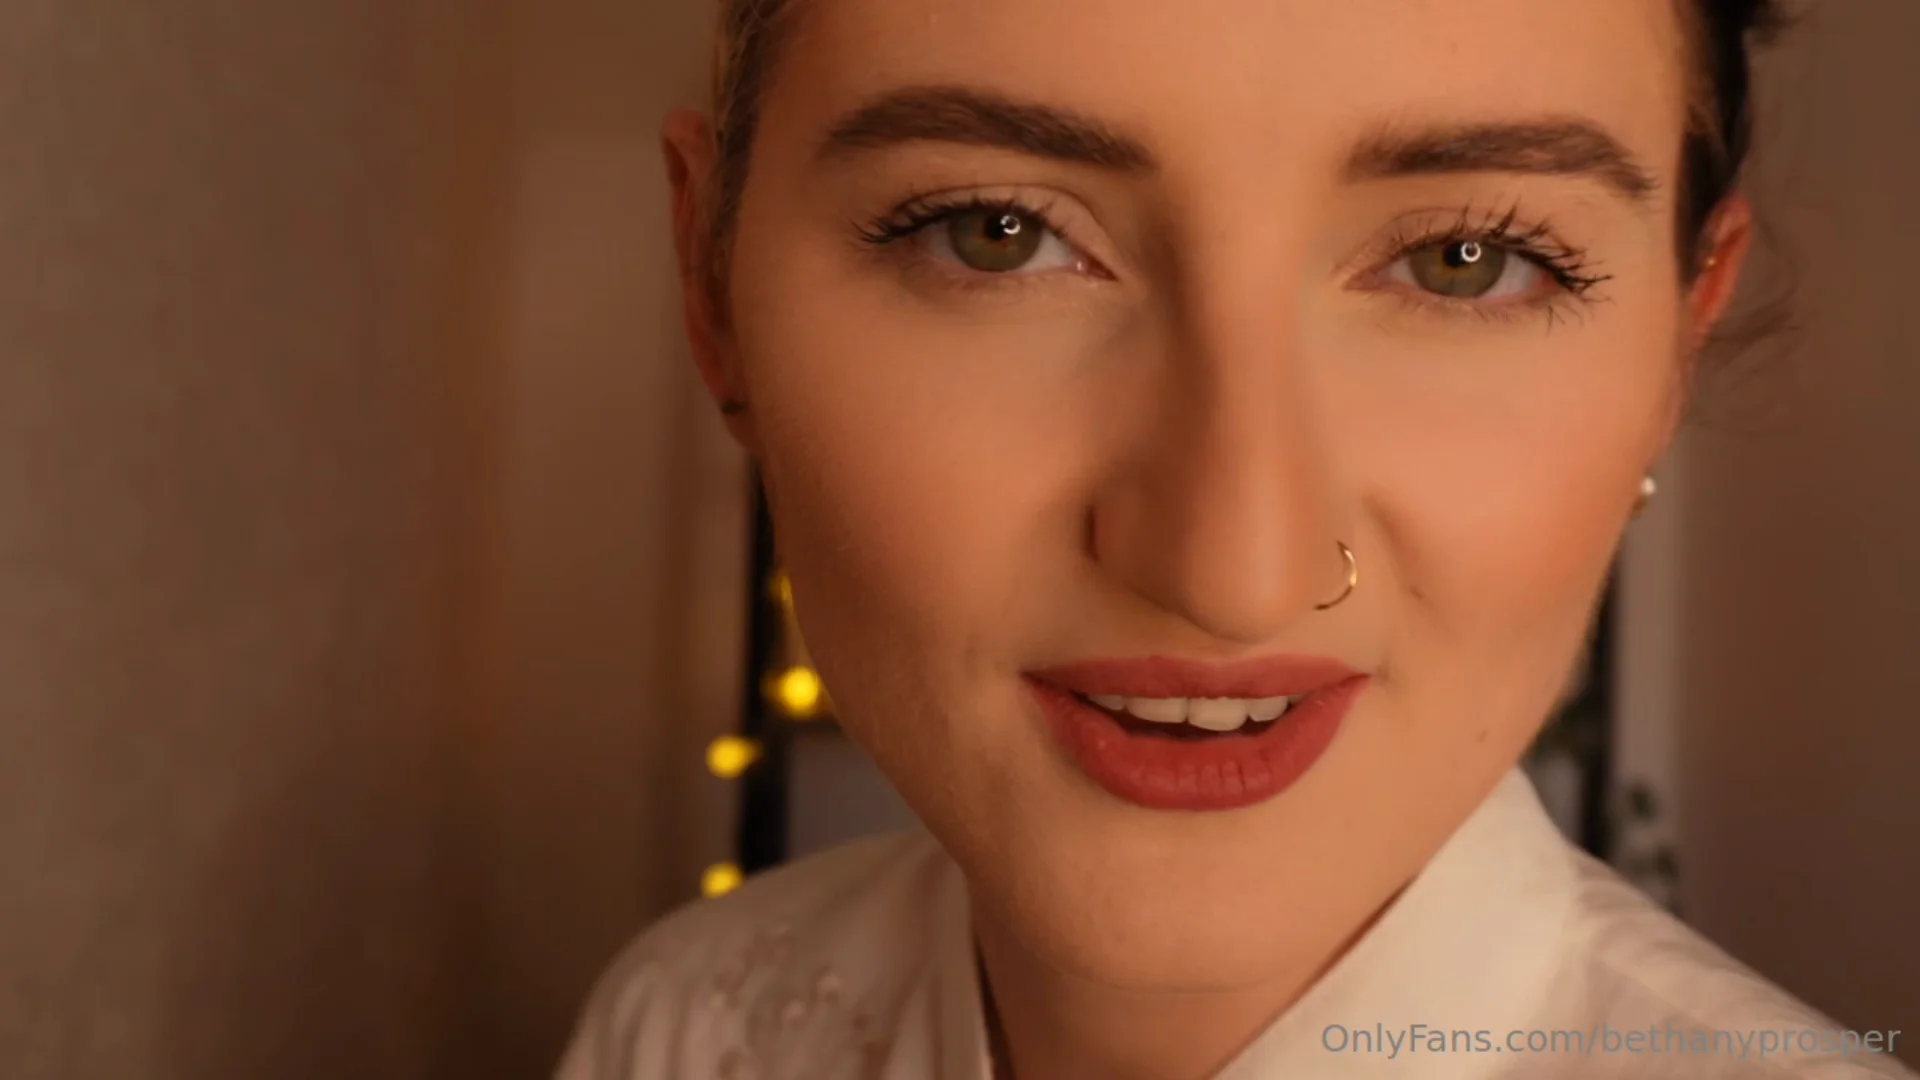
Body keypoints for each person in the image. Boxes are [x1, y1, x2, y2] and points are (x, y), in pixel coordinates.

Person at [561, 0, 1916, 1076]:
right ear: (710, 282)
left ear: (1682, 341)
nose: (1229, 572)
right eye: (996, 235)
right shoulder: (683, 1028)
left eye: (1468, 260)